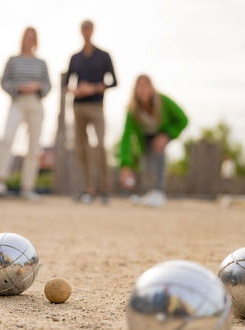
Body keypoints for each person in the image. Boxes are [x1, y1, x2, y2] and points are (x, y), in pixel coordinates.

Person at [0, 27, 51, 200]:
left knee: (33, 146)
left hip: (35, 102)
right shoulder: (13, 60)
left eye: (32, 37)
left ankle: (27, 186)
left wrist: (37, 87)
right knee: (7, 138)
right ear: (22, 38)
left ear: (36, 40)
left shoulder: (42, 63)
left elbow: (48, 85)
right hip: (17, 101)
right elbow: (4, 81)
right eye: (27, 36)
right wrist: (17, 88)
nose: (29, 40)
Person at [65, 20, 118, 204]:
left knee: (101, 147)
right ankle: (88, 189)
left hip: (96, 106)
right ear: (81, 31)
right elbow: (66, 84)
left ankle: (104, 189)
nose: (86, 32)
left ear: (93, 31)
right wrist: (76, 90)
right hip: (78, 106)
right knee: (82, 149)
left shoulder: (104, 56)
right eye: (83, 29)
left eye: (89, 29)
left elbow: (114, 81)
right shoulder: (75, 58)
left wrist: (94, 88)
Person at [119, 75, 188, 207]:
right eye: (139, 86)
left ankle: (159, 192)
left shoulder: (163, 101)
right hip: (144, 138)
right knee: (147, 163)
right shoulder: (132, 110)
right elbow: (126, 137)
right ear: (135, 90)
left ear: (151, 88)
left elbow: (183, 119)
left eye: (146, 86)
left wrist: (168, 135)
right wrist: (125, 164)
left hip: (161, 135)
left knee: (159, 157)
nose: (143, 90)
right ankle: (150, 192)